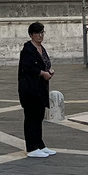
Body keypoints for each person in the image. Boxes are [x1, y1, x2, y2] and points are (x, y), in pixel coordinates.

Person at [17, 22, 56, 157]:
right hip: (30, 88)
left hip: (40, 88)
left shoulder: (41, 48)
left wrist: (49, 71)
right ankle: (32, 147)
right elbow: (28, 68)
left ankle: (39, 143)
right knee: (31, 117)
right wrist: (42, 73)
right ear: (31, 35)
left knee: (39, 116)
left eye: (42, 33)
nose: (40, 35)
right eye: (38, 33)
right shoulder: (27, 50)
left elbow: (45, 63)